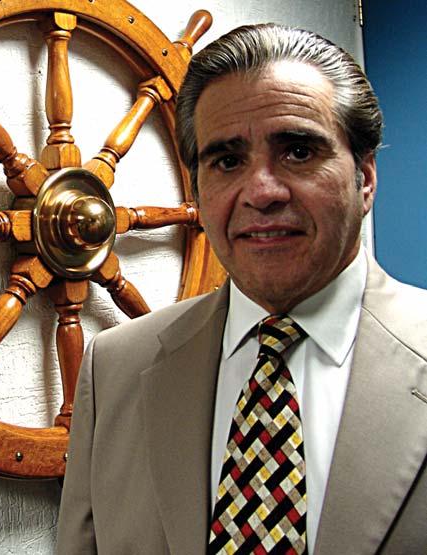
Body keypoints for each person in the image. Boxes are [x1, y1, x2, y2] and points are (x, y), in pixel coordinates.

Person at [56, 23, 427, 554]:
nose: (261, 191)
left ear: (364, 177)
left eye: (298, 151)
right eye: (227, 161)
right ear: (198, 190)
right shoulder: (114, 369)